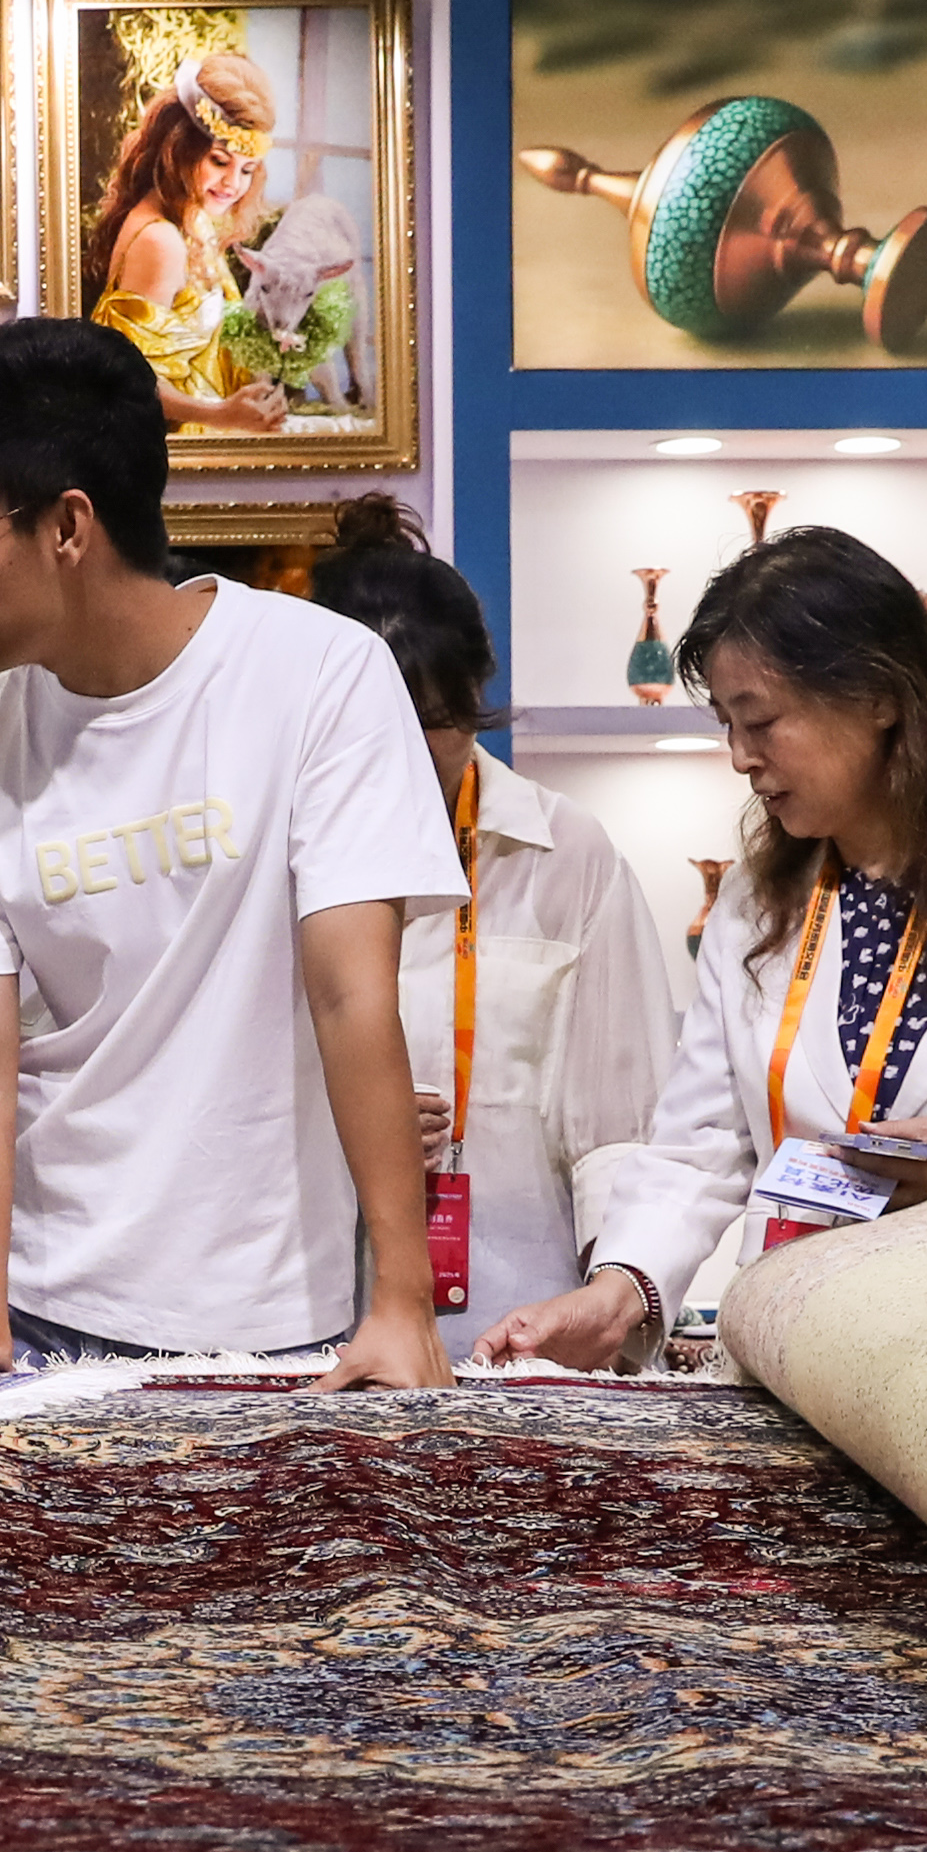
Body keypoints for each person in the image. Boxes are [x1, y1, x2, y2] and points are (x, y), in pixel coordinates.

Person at [0, 317, 463, 1391]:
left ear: (66, 527)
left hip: (281, 1319)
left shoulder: (320, 672)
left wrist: (400, 1303)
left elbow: (350, 995)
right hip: (48, 1312)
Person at [478, 526, 927, 1371]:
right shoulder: (755, 901)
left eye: (760, 721)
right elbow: (701, 1142)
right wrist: (619, 1290)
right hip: (791, 1360)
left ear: (878, 696)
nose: (739, 758)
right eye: (726, 725)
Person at [309, 498, 680, 1360]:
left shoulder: (564, 852)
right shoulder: (261, 853)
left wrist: (613, 1303)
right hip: (301, 1323)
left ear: (475, 699)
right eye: (369, 729)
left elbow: (621, 1127)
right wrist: (345, 1121)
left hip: (518, 1326)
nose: (400, 755)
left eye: (433, 724)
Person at [86, 53, 291, 436]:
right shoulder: (161, 241)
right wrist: (222, 415)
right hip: (175, 449)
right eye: (219, 161)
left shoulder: (194, 218)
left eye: (247, 170)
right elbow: (124, 378)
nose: (233, 184)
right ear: (179, 148)